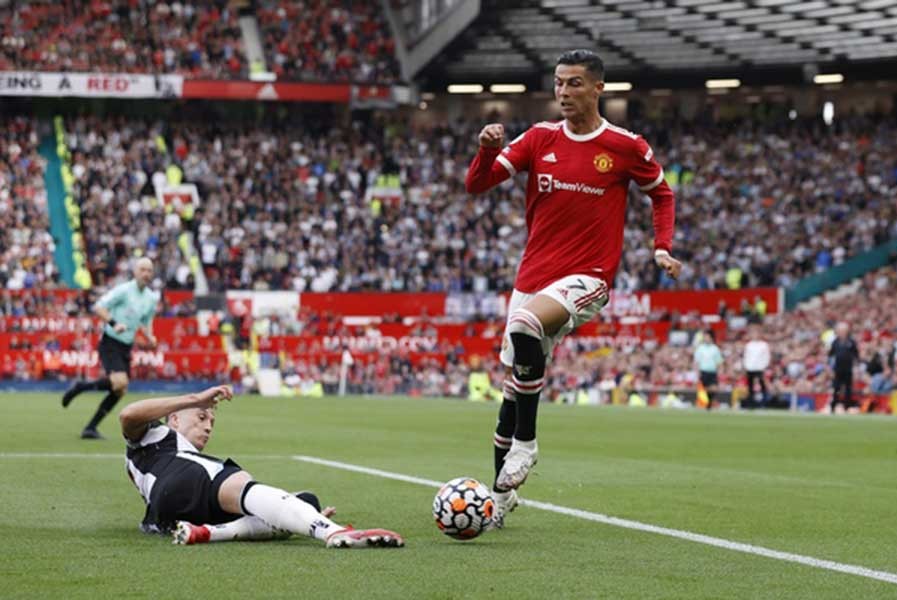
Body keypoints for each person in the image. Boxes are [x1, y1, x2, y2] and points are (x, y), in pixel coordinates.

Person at [465, 49, 681, 526]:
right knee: (511, 392)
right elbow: (477, 185)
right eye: (559, 83)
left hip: (588, 276)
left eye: (575, 84)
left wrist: (661, 246)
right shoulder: (539, 138)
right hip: (532, 277)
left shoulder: (626, 146)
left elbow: (661, 193)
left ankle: (528, 444)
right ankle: (500, 499)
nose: (563, 92)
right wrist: (484, 148)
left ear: (599, 88)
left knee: (524, 328)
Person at [119, 384, 404, 548]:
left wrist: (295, 510)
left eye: (212, 422)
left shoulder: (148, 455)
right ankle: (331, 531)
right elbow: (128, 415)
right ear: (174, 419)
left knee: (306, 500)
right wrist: (194, 398)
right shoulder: (159, 436)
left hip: (167, 516)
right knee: (240, 484)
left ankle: (208, 533)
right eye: (202, 416)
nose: (208, 426)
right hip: (184, 479)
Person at [62, 257, 160, 439]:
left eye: (149, 270)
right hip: (110, 341)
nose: (146, 273)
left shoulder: (150, 298)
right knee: (120, 382)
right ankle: (80, 387)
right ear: (135, 271)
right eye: (143, 269)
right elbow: (99, 307)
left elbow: (146, 322)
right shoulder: (124, 290)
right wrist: (114, 323)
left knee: (120, 390)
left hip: (126, 345)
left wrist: (150, 336)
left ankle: (90, 428)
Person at [828, 321, 859, 413]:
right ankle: (833, 406)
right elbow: (830, 356)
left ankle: (847, 406)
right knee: (836, 388)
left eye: (843, 330)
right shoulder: (835, 342)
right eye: (840, 330)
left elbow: (856, 356)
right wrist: (830, 369)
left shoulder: (851, 342)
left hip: (848, 369)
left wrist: (856, 368)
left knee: (848, 388)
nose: (841, 332)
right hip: (837, 369)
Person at [693, 330, 723, 410]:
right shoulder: (700, 348)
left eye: (707, 337)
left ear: (711, 338)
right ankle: (706, 403)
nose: (706, 338)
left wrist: (720, 371)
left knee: (713, 388)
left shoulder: (715, 348)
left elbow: (719, 361)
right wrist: (697, 372)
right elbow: (697, 361)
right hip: (703, 371)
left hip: (712, 372)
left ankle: (709, 403)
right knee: (704, 389)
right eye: (705, 337)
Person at [742, 326, 770, 407]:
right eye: (753, 334)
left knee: (762, 385)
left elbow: (767, 356)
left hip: (760, 367)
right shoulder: (749, 345)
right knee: (750, 386)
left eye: (756, 333)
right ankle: (751, 403)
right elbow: (746, 356)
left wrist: (764, 366)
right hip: (750, 368)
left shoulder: (764, 345)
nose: (755, 335)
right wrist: (746, 366)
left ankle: (763, 403)